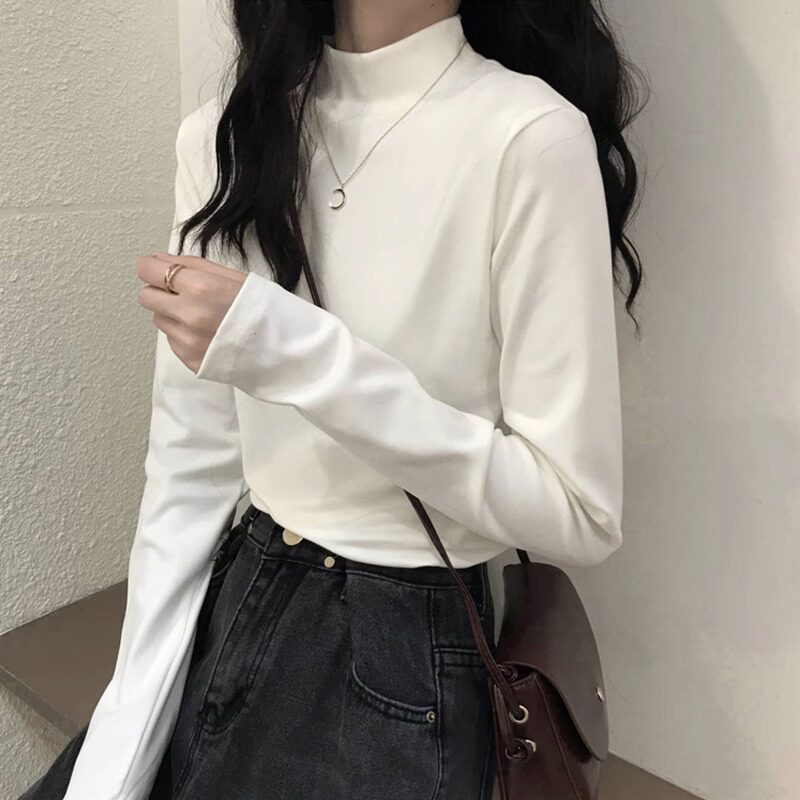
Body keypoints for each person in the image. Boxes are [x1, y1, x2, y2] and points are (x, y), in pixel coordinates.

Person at [20, 1, 646, 798]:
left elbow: (578, 510)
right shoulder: (229, 136)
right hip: (236, 593)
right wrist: (121, 749)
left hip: (405, 649)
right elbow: (188, 476)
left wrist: (301, 356)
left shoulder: (528, 137)